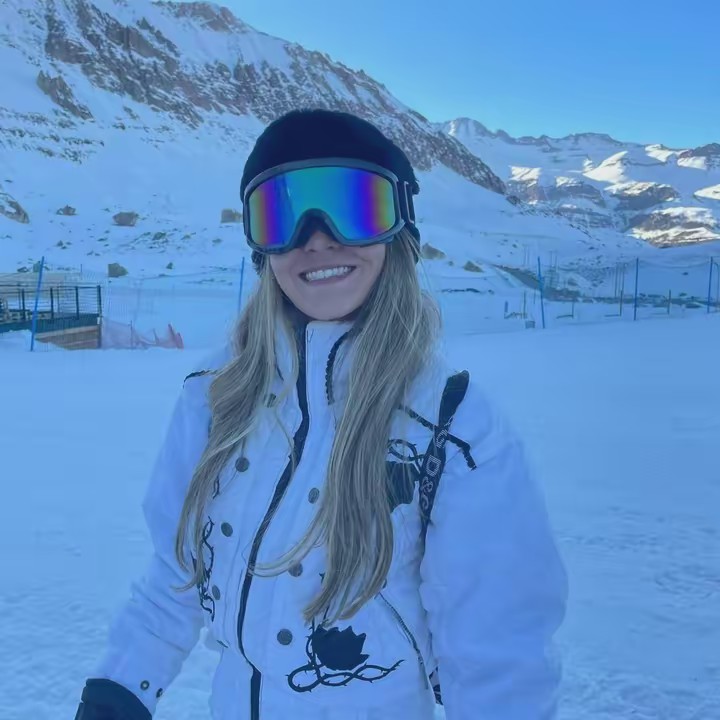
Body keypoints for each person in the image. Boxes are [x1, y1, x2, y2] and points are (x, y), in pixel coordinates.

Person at [74, 109, 568, 720]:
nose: (316, 238)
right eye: (281, 215)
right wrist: (118, 692)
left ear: (398, 229)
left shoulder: (452, 427)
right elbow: (176, 577)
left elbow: (499, 658)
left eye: (353, 207)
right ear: (260, 247)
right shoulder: (216, 394)